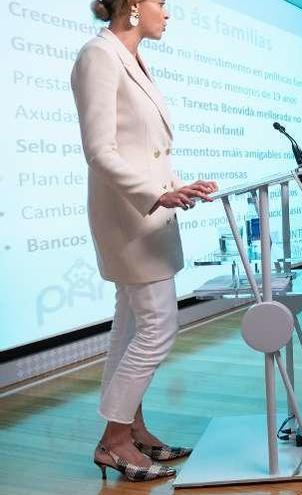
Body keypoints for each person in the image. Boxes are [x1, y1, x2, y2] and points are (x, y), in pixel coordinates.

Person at [71, 0, 218, 482]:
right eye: (161, 2)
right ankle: (113, 440)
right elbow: (99, 151)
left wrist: (175, 187)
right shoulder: (99, 55)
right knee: (157, 329)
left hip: (148, 216)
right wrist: (159, 193)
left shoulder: (130, 57)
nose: (168, 12)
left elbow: (143, 148)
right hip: (130, 219)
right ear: (133, 5)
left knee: (132, 327)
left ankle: (131, 429)